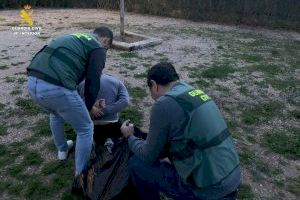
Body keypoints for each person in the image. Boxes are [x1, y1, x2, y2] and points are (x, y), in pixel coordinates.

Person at [120, 62, 241, 200]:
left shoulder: (163, 104)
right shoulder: (191, 91)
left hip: (208, 189)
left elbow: (148, 156)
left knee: (137, 164)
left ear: (153, 84)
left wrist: (129, 137)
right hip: (232, 176)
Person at [26, 27, 113, 195]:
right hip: (56, 88)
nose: (105, 51)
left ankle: (62, 150)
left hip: (33, 82)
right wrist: (87, 109)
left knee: (55, 113)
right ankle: (81, 174)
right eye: (107, 47)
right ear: (105, 41)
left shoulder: (74, 36)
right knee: (86, 128)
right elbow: (93, 81)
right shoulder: (97, 47)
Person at [77, 73, 129, 145]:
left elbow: (73, 103)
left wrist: (90, 108)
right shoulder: (116, 81)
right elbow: (125, 101)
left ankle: (93, 142)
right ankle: (110, 140)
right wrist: (104, 110)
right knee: (121, 126)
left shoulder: (80, 83)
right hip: (112, 124)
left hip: (91, 125)